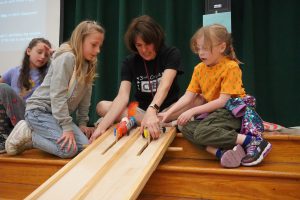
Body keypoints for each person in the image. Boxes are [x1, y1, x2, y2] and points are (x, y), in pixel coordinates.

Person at [160, 24, 272, 168]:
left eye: (205, 48)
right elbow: (187, 97)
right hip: (214, 115)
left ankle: (251, 141)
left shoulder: (231, 67)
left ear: (221, 47)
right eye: (199, 48)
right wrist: (166, 115)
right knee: (185, 126)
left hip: (232, 112)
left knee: (201, 132)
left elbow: (222, 101)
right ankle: (221, 152)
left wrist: (192, 110)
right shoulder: (199, 69)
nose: (201, 52)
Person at [5, 21, 105, 158]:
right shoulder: (67, 58)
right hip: (39, 111)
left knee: (85, 147)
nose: (98, 50)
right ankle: (29, 136)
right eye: (94, 45)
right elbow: (57, 95)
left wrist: (82, 123)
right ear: (80, 40)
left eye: (99, 46)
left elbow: (85, 97)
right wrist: (67, 127)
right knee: (68, 150)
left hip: (55, 116)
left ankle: (39, 134)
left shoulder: (89, 64)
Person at [90, 15, 183, 142]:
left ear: (156, 39)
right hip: (140, 111)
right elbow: (122, 97)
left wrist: (152, 110)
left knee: (198, 100)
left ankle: (151, 121)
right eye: (139, 45)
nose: (144, 50)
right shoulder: (129, 62)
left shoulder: (171, 53)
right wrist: (101, 128)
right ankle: (156, 122)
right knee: (102, 106)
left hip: (167, 109)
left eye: (148, 44)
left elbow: (164, 86)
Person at [0, 38, 52, 153]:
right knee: (2, 89)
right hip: (14, 118)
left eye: (46, 55)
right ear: (28, 51)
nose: (43, 57)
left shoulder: (50, 72)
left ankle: (5, 136)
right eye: (39, 52)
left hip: (33, 117)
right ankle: (3, 134)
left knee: (3, 88)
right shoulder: (14, 71)